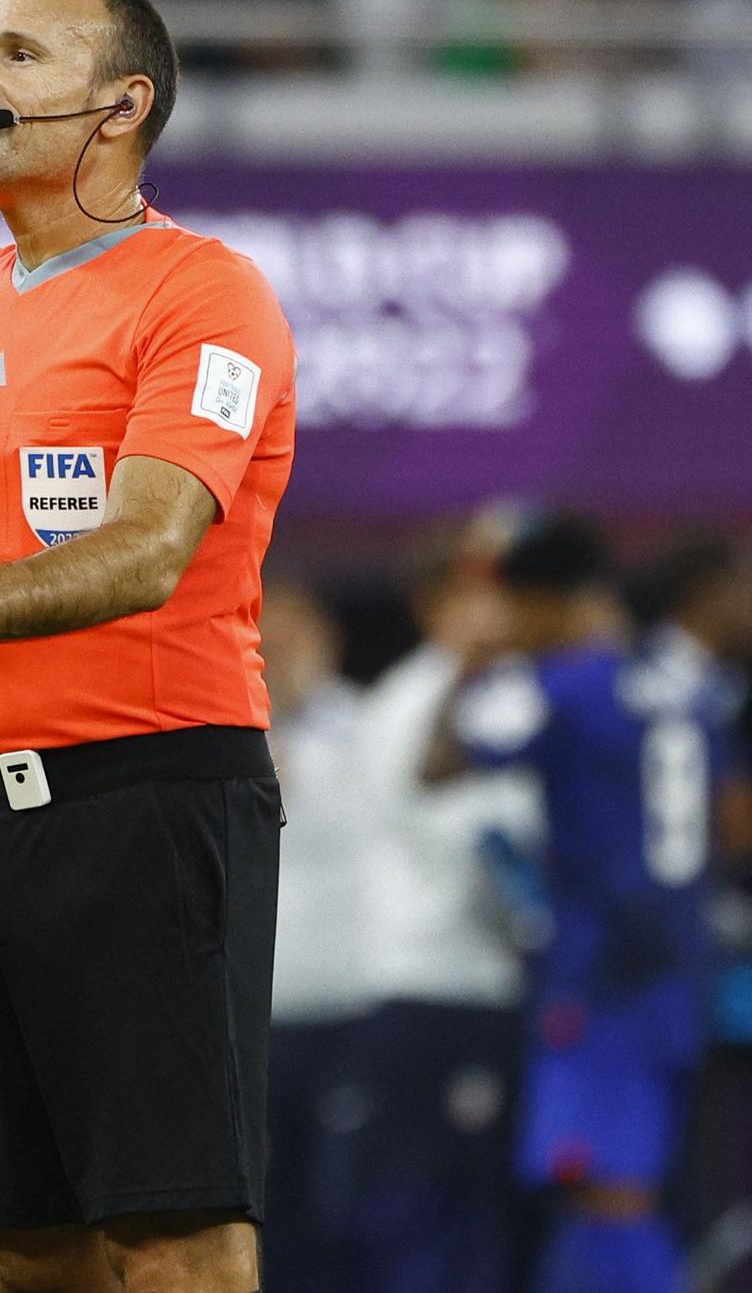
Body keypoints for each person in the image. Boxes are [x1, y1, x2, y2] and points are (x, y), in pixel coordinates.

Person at [0, 0, 295, 1291]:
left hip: (152, 797)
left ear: (120, 106)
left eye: (19, 52)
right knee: (28, 1243)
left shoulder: (208, 296)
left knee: (173, 1234)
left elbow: (148, 546)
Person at [427, 514, 740, 1293]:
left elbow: (437, 762)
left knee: (607, 1191)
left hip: (602, 970)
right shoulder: (685, 686)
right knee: (595, 1192)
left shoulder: (558, 685)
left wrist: (472, 661)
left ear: (539, 600)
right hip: (679, 966)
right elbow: (730, 819)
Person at [348, 520, 542, 1293]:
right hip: (428, 985)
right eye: (471, 597)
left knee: (497, 1202)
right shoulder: (405, 702)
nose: (490, 615)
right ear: (433, 606)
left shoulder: (520, 690)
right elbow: (466, 843)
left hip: (502, 985)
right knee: (416, 1202)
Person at [258, 577, 374, 1293]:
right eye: (266, 640)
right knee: (258, 1206)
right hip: (251, 1017)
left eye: (294, 640)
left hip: (349, 1011)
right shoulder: (210, 737)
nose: (281, 654)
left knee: (347, 1206)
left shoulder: (371, 728)